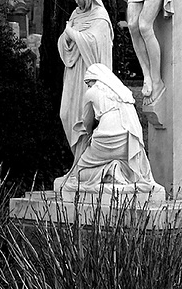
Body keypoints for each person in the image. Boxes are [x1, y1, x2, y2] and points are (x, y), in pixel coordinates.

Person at [59, 63, 162, 194]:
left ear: (95, 80)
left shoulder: (91, 92)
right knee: (121, 162)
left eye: (88, 82)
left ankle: (108, 171)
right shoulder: (123, 92)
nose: (88, 86)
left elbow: (87, 121)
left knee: (79, 172)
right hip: (130, 141)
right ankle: (116, 168)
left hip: (105, 139)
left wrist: (89, 133)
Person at [58, 0, 113, 162]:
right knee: (66, 113)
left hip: (90, 74)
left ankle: (85, 163)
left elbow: (94, 43)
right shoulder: (76, 14)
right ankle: (78, 162)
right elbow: (64, 41)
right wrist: (66, 38)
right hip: (74, 72)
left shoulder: (100, 17)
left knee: (85, 118)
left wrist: (72, 33)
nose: (77, 1)